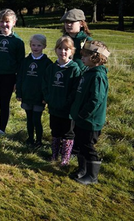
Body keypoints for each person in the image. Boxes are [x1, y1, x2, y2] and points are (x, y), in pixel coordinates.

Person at [71, 40, 110, 185]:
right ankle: (82, 170)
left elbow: (95, 99)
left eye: (85, 56)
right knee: (80, 144)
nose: (82, 58)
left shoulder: (98, 76)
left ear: (95, 57)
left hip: (90, 121)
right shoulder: (88, 72)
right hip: (81, 119)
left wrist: (83, 114)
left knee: (88, 147)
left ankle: (92, 176)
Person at [0, 9, 25, 135]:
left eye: (7, 22)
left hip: (9, 77)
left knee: (4, 103)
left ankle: (2, 129)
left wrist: (17, 81)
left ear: (14, 22)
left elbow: (21, 63)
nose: (4, 24)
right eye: (2, 22)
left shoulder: (18, 41)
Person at [42, 36, 81, 166]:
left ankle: (65, 158)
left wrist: (67, 103)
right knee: (55, 130)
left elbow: (75, 90)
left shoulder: (74, 69)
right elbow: (45, 85)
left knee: (67, 133)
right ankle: (54, 155)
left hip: (68, 110)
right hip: (54, 107)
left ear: (71, 51)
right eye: (60, 48)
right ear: (56, 50)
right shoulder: (51, 68)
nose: (62, 52)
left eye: (66, 49)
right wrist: (48, 98)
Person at [16, 34, 51, 148]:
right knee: (29, 119)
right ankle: (30, 139)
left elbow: (48, 82)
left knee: (37, 119)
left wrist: (45, 97)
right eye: (33, 45)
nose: (36, 47)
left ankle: (39, 141)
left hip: (39, 97)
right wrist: (19, 93)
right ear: (30, 45)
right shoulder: (26, 61)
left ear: (44, 46)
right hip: (27, 95)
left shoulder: (47, 63)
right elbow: (20, 77)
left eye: (39, 45)